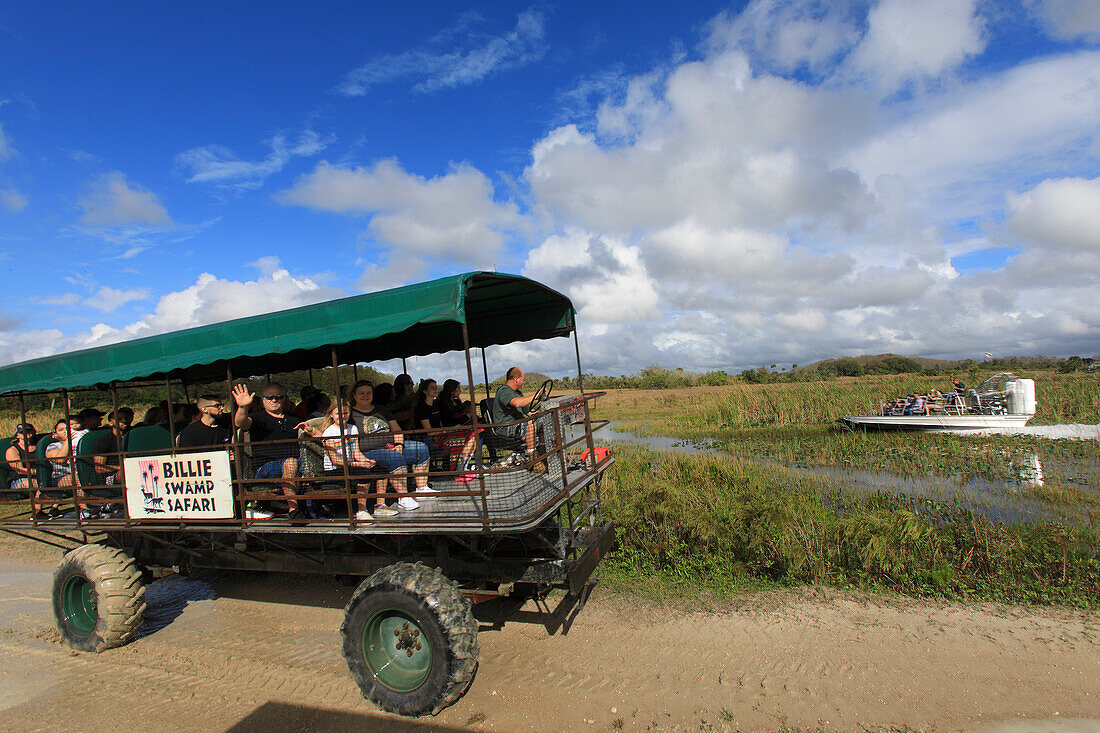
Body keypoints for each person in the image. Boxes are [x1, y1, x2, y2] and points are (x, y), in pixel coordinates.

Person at [347, 380, 430, 511]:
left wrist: (399, 444)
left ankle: (422, 488)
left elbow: (396, 429)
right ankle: (403, 497)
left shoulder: (382, 410)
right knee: (393, 457)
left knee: (420, 448)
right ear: (354, 395)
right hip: (367, 451)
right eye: (361, 393)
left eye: (368, 393)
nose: (365, 396)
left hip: (391, 446)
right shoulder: (350, 415)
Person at [232, 381, 305, 522]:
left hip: (296, 463)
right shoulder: (257, 418)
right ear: (263, 399)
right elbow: (240, 423)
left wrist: (312, 430)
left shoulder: (294, 419)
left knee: (302, 463)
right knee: (291, 462)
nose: (274, 400)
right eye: (269, 397)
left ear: (284, 399)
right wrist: (242, 407)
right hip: (265, 467)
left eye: (278, 397)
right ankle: (294, 509)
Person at [315, 399, 385, 521]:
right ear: (331, 414)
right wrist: (359, 465)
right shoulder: (329, 433)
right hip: (334, 469)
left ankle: (380, 505)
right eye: (338, 414)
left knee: (382, 466)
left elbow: (356, 452)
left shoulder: (352, 428)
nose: (342, 416)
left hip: (350, 465)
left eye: (345, 413)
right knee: (363, 473)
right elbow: (335, 461)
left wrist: (367, 461)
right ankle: (361, 510)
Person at [491, 367, 550, 473]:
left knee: (544, 421)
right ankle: (534, 461)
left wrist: (540, 413)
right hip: (505, 427)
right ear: (516, 379)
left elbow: (528, 411)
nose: (523, 382)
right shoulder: (504, 391)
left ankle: (543, 454)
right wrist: (536, 396)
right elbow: (517, 403)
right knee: (530, 423)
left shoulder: (518, 393)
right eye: (523, 379)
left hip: (517, 425)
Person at [417, 379, 479, 477]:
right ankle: (458, 468)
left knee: (470, 435)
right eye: (432, 388)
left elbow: (440, 425)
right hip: (429, 438)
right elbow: (429, 432)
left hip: (440, 434)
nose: (436, 390)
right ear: (425, 391)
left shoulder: (435, 406)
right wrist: (449, 430)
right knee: (461, 439)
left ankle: (460, 466)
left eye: (436, 387)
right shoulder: (422, 408)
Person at [4, 423, 38, 497]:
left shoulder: (38, 447)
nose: (26, 433)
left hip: (40, 476)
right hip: (19, 479)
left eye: (29, 431)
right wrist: (38, 472)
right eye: (22, 432)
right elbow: (19, 469)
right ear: (17, 435)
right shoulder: (13, 450)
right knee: (38, 483)